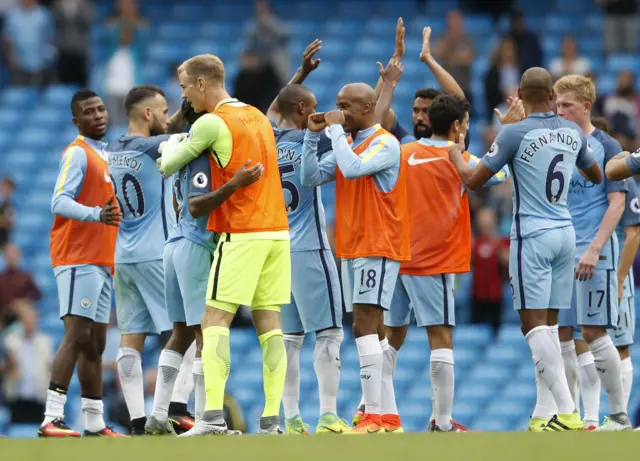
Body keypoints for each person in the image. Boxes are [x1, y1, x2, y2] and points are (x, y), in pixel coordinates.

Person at [447, 67, 602, 432]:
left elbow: (473, 179)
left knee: (531, 325)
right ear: (552, 96)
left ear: (518, 92)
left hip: (531, 234)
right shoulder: (572, 132)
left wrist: (455, 154)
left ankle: (567, 411)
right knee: (550, 324)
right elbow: (595, 175)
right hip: (566, 232)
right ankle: (543, 412)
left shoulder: (514, 132)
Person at [376, 64, 511, 432]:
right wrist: (508, 131)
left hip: (395, 259)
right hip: (432, 263)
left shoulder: (402, 153)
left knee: (390, 337)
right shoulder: (458, 159)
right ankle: (442, 421)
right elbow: (498, 171)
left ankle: (378, 412)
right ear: (455, 127)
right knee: (442, 340)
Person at [158, 53, 288, 436]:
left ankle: (211, 417)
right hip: (277, 232)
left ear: (201, 84)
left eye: (185, 87)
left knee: (213, 322)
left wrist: (173, 141)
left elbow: (167, 165)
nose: (184, 97)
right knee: (271, 328)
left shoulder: (214, 121)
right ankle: (272, 421)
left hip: (242, 231)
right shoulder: (257, 115)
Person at [147, 99, 263, 434]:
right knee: (206, 334)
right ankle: (205, 419)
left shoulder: (176, 146)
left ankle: (158, 414)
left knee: (180, 333)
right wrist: (234, 184)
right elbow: (197, 204)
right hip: (195, 247)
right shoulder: (200, 153)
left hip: (174, 245)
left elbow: (178, 198)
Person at [302, 81, 410, 434]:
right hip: (353, 246)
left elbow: (350, 169)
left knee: (362, 325)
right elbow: (311, 176)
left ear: (367, 108)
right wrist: (309, 137)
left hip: (377, 245)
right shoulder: (348, 142)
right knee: (375, 330)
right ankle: (389, 416)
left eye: (345, 106)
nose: (339, 111)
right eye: (337, 104)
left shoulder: (385, 143)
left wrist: (333, 131)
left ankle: (373, 417)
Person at [265, 40, 348, 435]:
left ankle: (292, 419)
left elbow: (272, 110)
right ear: (303, 111)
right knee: (329, 332)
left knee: (289, 341)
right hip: (311, 247)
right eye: (311, 105)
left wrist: (298, 77)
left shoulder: (265, 143)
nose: (317, 111)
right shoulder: (314, 141)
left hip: (276, 254)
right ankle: (329, 414)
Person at [42, 88, 125, 438]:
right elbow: (58, 201)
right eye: (89, 112)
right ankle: (52, 417)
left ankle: (94, 421)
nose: (98, 116)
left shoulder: (104, 154)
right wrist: (95, 214)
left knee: (95, 344)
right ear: (77, 121)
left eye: (101, 109)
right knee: (76, 336)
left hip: (102, 260)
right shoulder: (77, 154)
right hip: (78, 257)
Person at [107, 84, 186, 435]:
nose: (168, 117)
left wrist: (178, 114)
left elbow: (167, 132)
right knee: (187, 333)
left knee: (131, 339)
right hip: (156, 252)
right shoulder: (159, 147)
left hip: (124, 255)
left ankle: (137, 423)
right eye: (163, 110)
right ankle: (169, 412)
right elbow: (190, 137)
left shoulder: (112, 149)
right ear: (147, 114)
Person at [554, 74, 631, 431]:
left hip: (594, 251)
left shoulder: (607, 146)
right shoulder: (555, 145)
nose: (560, 110)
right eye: (556, 104)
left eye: (567, 105)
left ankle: (617, 414)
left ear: (586, 106)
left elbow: (617, 204)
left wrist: (595, 248)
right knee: (562, 333)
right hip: (561, 252)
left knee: (594, 331)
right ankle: (573, 416)